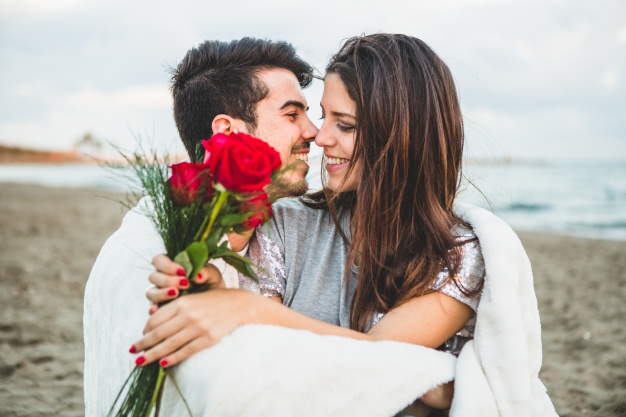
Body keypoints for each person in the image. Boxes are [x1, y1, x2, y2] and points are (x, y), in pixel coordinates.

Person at [133, 34, 485, 412]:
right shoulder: (285, 224)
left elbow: (379, 361)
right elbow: (256, 357)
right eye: (323, 116)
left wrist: (245, 308)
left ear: (402, 136)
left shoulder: (456, 254)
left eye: (345, 125)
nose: (321, 137)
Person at [83, 37, 319, 416]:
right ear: (227, 132)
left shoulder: (286, 230)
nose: (314, 132)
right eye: (293, 115)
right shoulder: (149, 253)